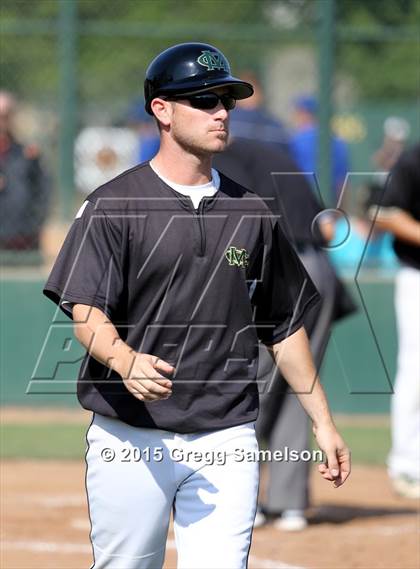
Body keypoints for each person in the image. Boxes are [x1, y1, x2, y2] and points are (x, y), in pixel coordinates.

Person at [43, 42, 350, 568]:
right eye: (204, 101)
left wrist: (322, 421)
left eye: (226, 100)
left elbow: (282, 325)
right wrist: (124, 359)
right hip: (130, 434)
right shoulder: (113, 205)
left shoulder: (252, 211)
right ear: (161, 109)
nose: (222, 113)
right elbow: (86, 312)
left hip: (227, 434)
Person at [215, 138, 356, 531]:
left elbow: (236, 230)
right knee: (300, 385)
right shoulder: (273, 153)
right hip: (318, 267)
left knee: (250, 384)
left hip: (278, 266)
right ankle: (289, 504)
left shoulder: (221, 159)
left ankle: (244, 498)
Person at [370, 142, 420, 499]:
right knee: (415, 370)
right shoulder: (416, 157)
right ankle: (407, 465)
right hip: (417, 274)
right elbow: (382, 211)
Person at [0, 90, 50, 259]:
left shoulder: (27, 154)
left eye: (5, 115)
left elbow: (43, 190)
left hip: (23, 237)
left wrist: (35, 223)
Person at [290, 95, 350, 202]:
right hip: (329, 198)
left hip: (302, 196)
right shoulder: (336, 140)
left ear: (304, 113)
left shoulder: (296, 140)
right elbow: (342, 182)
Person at [228, 71, 290, 154]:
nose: (249, 98)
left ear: (260, 95)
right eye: (244, 93)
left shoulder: (274, 125)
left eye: (252, 92)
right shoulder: (227, 121)